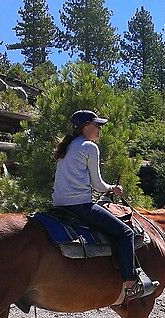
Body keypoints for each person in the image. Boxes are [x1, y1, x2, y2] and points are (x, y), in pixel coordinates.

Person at [52, 109, 158, 300]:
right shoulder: (89, 147)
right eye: (97, 125)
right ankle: (130, 282)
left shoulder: (67, 147)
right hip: (80, 205)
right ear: (86, 126)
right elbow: (98, 185)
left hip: (58, 205)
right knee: (126, 233)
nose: (100, 129)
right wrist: (113, 189)